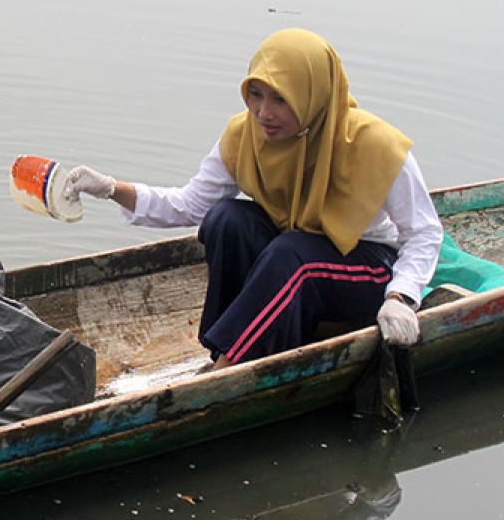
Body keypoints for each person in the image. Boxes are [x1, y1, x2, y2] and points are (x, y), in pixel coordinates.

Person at [67, 28, 443, 370]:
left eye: (281, 99)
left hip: (368, 269)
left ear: (313, 97)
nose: (264, 113)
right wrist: (112, 188)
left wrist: (401, 297)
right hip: (295, 256)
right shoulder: (244, 135)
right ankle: (230, 346)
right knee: (227, 219)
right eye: (256, 95)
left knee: (293, 256)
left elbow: (424, 233)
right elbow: (190, 205)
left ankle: (227, 369)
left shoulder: (375, 146)